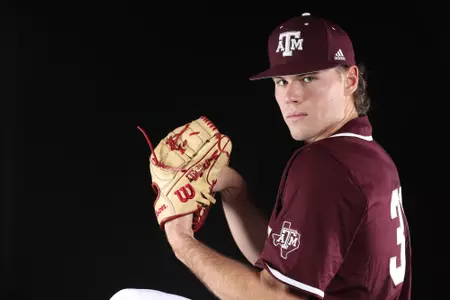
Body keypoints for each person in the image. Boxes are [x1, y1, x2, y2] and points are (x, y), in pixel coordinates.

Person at [110, 12, 412, 300]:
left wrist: (181, 241)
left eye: (307, 78)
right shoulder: (372, 157)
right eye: (281, 81)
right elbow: (287, 269)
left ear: (350, 79)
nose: (290, 95)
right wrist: (235, 193)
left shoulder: (324, 165)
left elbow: (275, 295)